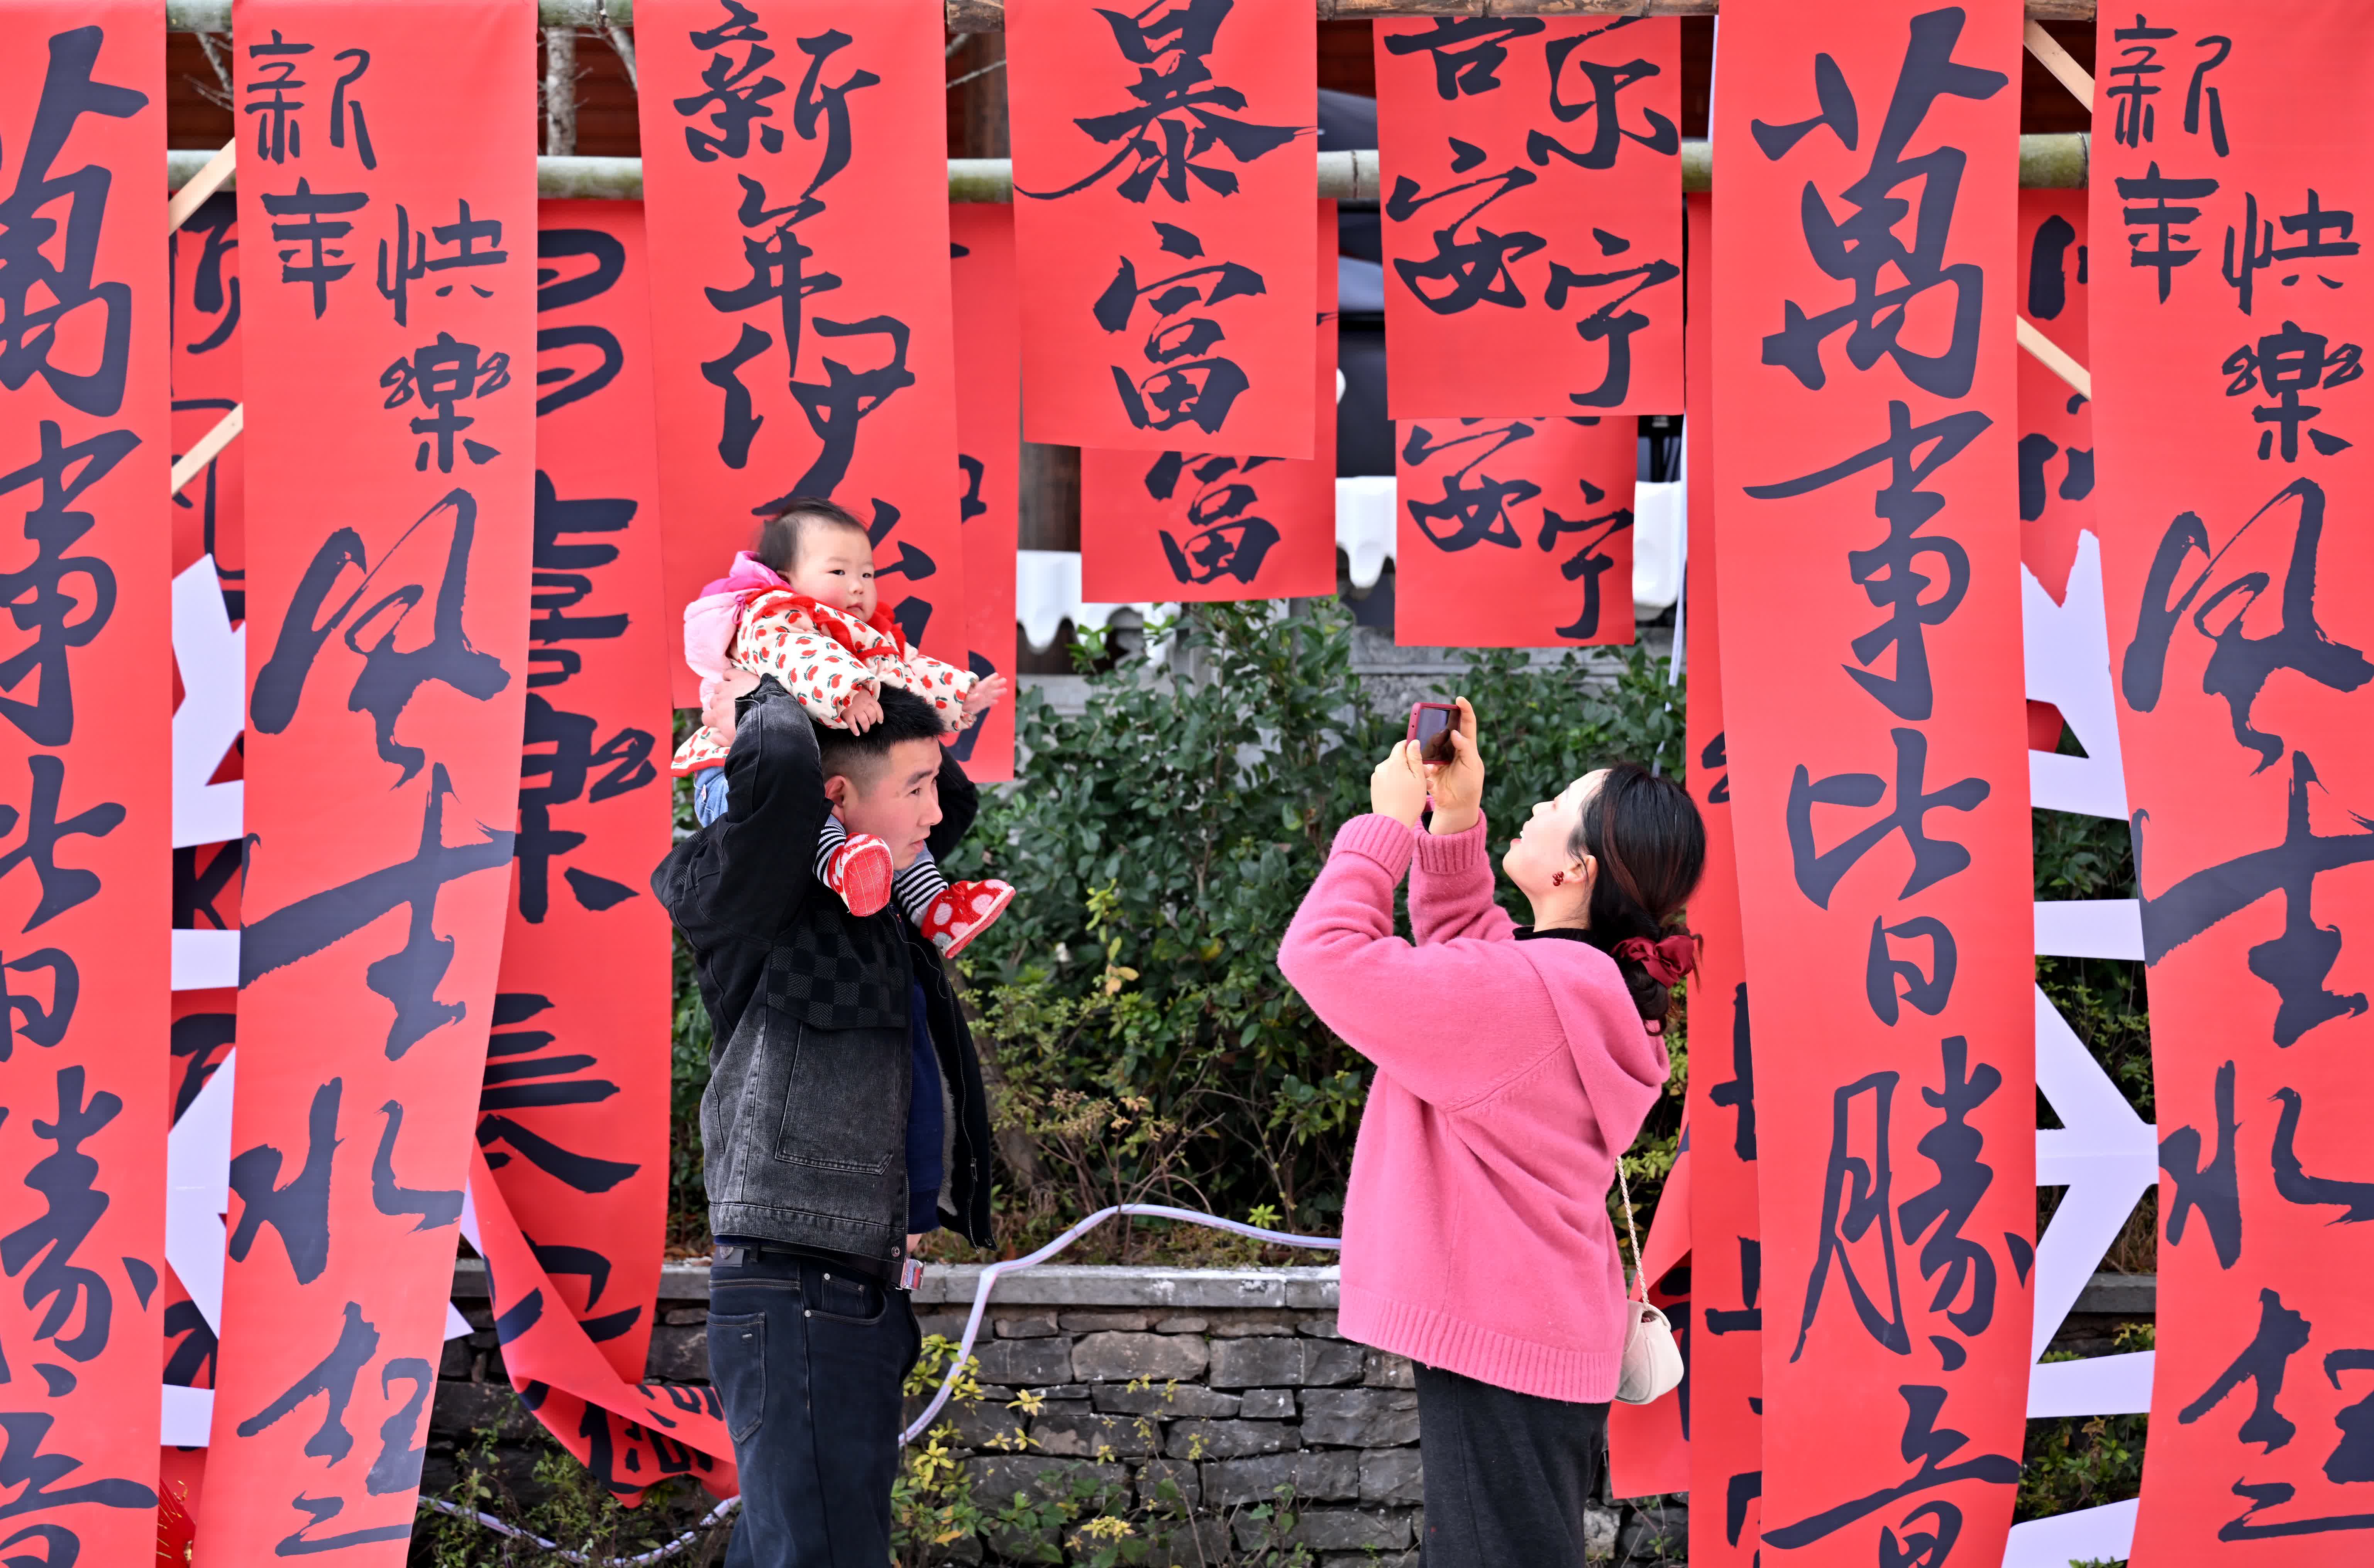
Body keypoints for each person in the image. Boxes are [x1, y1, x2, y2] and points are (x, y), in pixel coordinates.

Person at [1275, 698, 1704, 1568]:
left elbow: (1321, 954)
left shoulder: (1527, 996)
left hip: (1505, 1342)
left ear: (1576, 869)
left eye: (1558, 806)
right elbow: (1472, 954)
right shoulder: (1577, 987)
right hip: (1544, 1328)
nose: (1537, 808)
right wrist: (1457, 820)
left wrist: (1385, 830)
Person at [653, 682, 998, 1568]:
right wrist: (775, 678)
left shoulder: (873, 902)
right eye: (913, 786)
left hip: (854, 1289)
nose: (937, 810)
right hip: (801, 1285)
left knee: (799, 1548)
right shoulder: (766, 903)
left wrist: (871, 666)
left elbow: (948, 790)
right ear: (833, 797)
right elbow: (775, 767)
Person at [674, 497, 1014, 957]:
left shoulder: (861, 635)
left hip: (817, 765)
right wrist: (845, 692)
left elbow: (904, 671)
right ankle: (837, 862)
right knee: (813, 815)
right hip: (733, 776)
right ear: (788, 578)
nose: (857, 587)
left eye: (868, 574)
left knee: (897, 838)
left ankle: (935, 909)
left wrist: (956, 694)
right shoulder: (771, 615)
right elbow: (802, 659)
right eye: (839, 573)